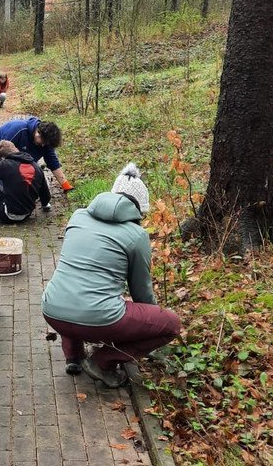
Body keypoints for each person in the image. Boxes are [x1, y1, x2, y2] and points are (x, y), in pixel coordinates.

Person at [41, 163, 181, 388]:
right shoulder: (137, 236)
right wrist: (150, 326)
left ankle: (73, 357)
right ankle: (102, 362)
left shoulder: (78, 216)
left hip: (52, 310)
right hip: (96, 319)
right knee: (172, 323)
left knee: (75, 286)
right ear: (139, 210)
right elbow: (141, 293)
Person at [0, 116, 74, 192]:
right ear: (38, 133)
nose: (43, 146)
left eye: (46, 144)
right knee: (3, 189)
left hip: (16, 159)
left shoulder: (46, 140)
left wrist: (65, 185)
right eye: (42, 143)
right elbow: (3, 157)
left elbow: (53, 162)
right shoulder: (18, 130)